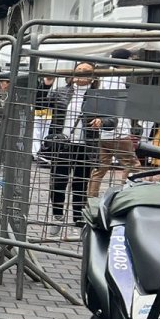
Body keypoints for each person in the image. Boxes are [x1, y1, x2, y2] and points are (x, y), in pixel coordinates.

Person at [44, 62, 100, 226]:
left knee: (80, 184)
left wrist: (101, 121)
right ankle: (57, 215)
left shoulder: (98, 95)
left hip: (85, 145)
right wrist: (47, 84)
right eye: (79, 70)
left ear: (93, 76)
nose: (82, 74)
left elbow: (112, 120)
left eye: (86, 71)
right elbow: (40, 103)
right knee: (58, 181)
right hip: (62, 144)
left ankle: (78, 219)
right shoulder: (61, 92)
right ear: (72, 73)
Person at [88, 48, 141, 197]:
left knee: (100, 169)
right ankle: (129, 196)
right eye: (130, 59)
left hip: (105, 132)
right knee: (133, 167)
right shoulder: (115, 78)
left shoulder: (107, 76)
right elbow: (116, 106)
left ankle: (91, 200)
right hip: (118, 131)